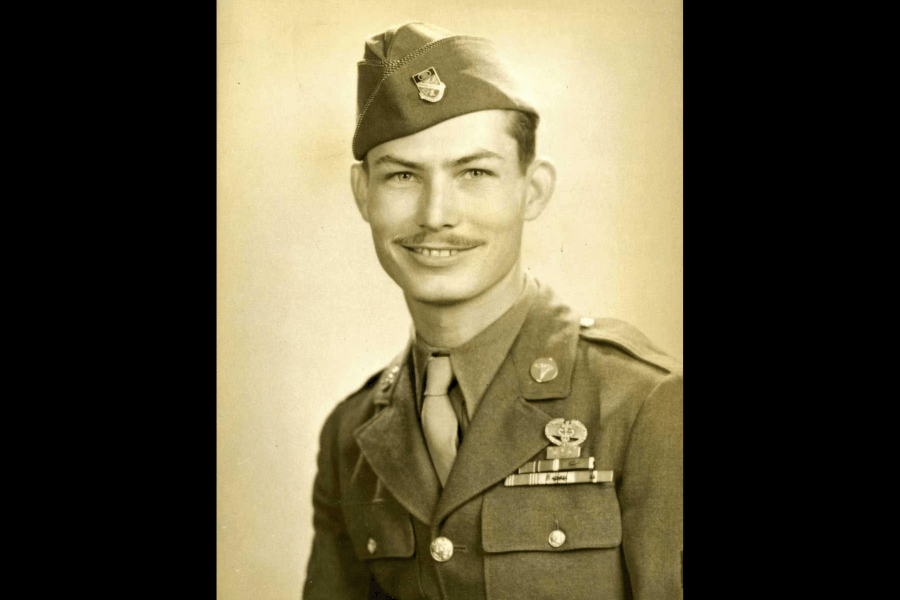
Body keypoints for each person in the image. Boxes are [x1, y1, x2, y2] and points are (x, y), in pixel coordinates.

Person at [303, 22, 682, 600]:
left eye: (474, 173)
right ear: (363, 193)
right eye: (403, 176)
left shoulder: (643, 405)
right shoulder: (351, 436)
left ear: (532, 190)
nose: (436, 214)